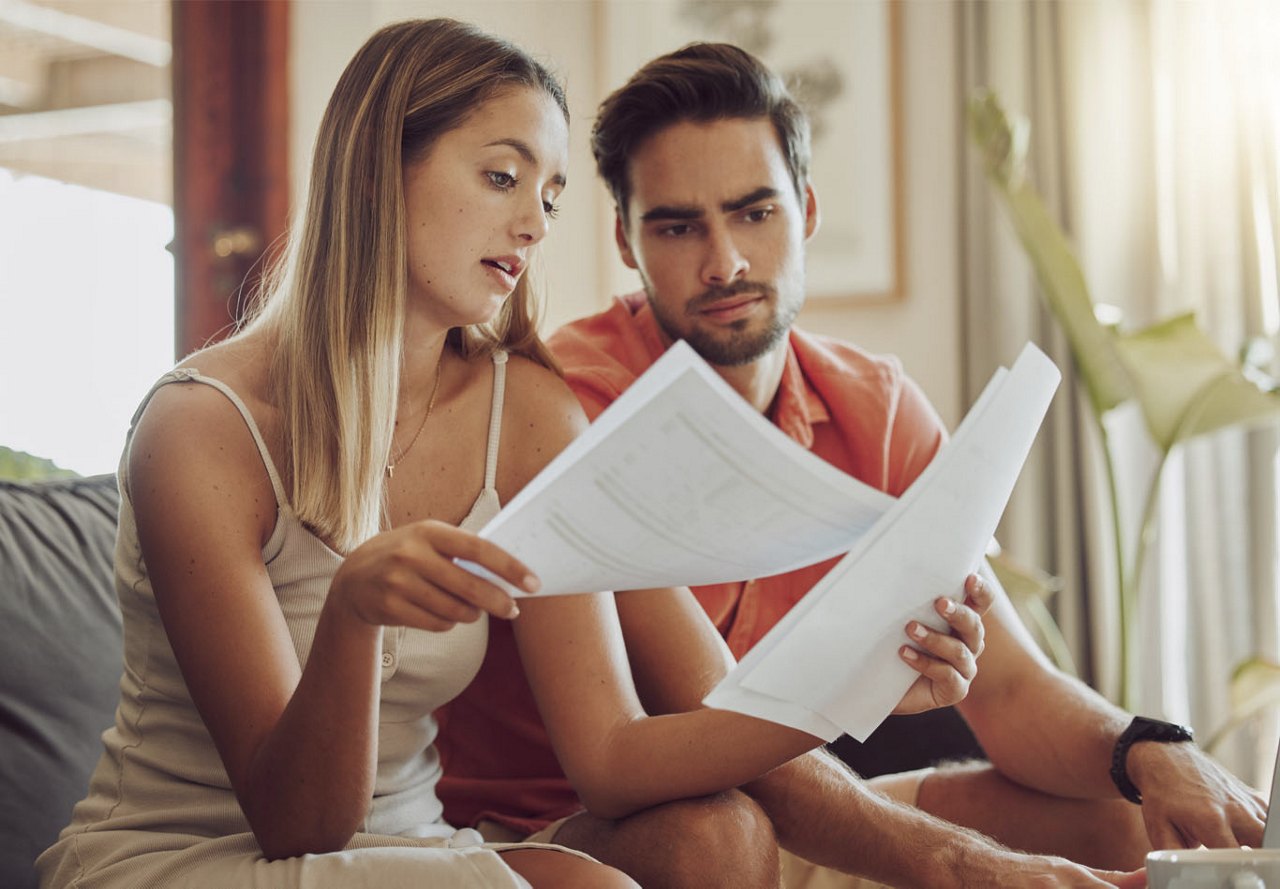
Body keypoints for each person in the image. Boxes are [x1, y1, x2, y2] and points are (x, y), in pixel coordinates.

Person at [36, 19, 991, 889]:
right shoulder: (201, 429)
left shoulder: (529, 411)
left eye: (550, 195)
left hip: (414, 845)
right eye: (502, 177)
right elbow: (297, 826)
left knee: (704, 840)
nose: (534, 223)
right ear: (378, 171)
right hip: (190, 854)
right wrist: (351, 618)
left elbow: (612, 755)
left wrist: (853, 693)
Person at [436, 41, 1266, 889]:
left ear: (807, 208)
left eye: (755, 213)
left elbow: (1012, 691)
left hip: (792, 807)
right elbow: (726, 738)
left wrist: (1152, 749)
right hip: (586, 831)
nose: (725, 262)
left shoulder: (877, 408)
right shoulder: (573, 403)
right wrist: (967, 865)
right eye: (679, 226)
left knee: (1125, 821)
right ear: (625, 239)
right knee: (717, 834)